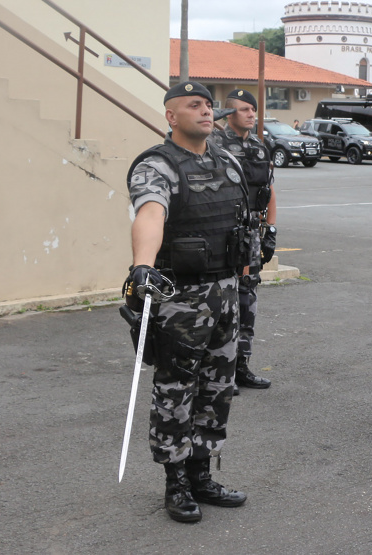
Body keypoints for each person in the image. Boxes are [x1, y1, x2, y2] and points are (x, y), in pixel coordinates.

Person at [124, 81, 251, 522]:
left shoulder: (228, 162)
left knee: (218, 387)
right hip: (180, 298)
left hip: (226, 293)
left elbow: (238, 219)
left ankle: (202, 473)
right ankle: (175, 483)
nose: (204, 110)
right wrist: (143, 265)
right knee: (176, 389)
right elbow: (150, 212)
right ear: (170, 116)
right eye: (192, 104)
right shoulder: (157, 166)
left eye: (208, 105)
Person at [210, 89, 276, 390]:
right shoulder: (214, 144)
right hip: (223, 235)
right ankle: (218, 370)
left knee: (247, 300)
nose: (251, 114)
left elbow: (270, 190)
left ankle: (241, 366)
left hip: (251, 235)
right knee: (222, 302)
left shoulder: (262, 148)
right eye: (244, 109)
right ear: (229, 113)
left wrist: (270, 229)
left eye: (253, 109)